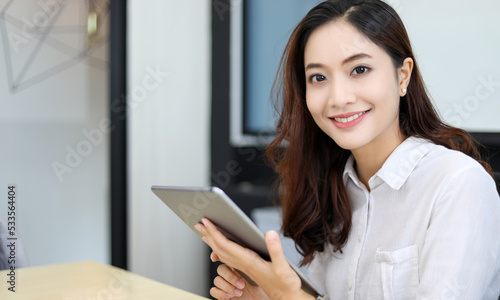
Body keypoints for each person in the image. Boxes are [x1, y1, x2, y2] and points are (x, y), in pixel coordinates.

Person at [195, 0, 500, 299]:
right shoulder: (329, 187)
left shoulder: (458, 184)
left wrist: (288, 297)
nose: (338, 98)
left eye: (359, 69)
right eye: (318, 77)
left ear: (402, 76)